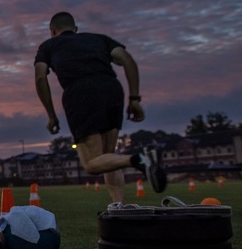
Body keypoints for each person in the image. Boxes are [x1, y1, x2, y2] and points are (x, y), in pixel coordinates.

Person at [34, 11, 166, 203]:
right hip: (111, 88)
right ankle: (118, 207)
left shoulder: (48, 46)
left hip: (80, 92)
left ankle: (140, 160)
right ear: (75, 29)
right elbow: (128, 60)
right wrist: (135, 99)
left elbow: (40, 77)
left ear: (52, 31)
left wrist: (51, 115)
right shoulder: (99, 39)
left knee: (90, 164)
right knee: (108, 158)